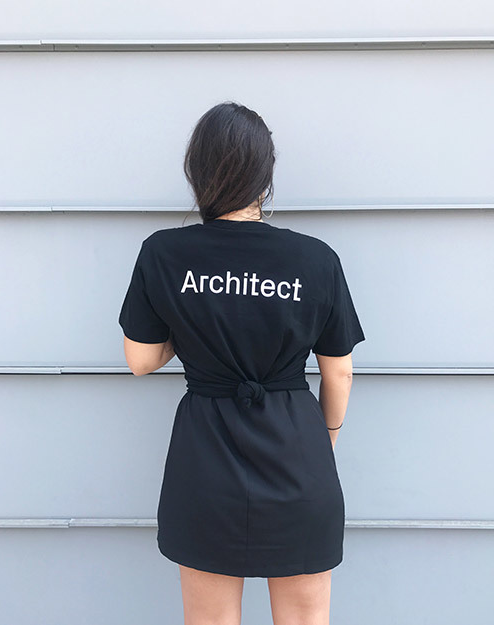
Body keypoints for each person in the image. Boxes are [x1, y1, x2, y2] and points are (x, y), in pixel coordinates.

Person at [118, 101, 365, 625]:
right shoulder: (316, 258)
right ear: (265, 177)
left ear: (197, 171)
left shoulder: (164, 253)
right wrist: (326, 440)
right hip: (297, 448)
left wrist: (195, 329)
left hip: (205, 456)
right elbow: (338, 370)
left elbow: (140, 360)